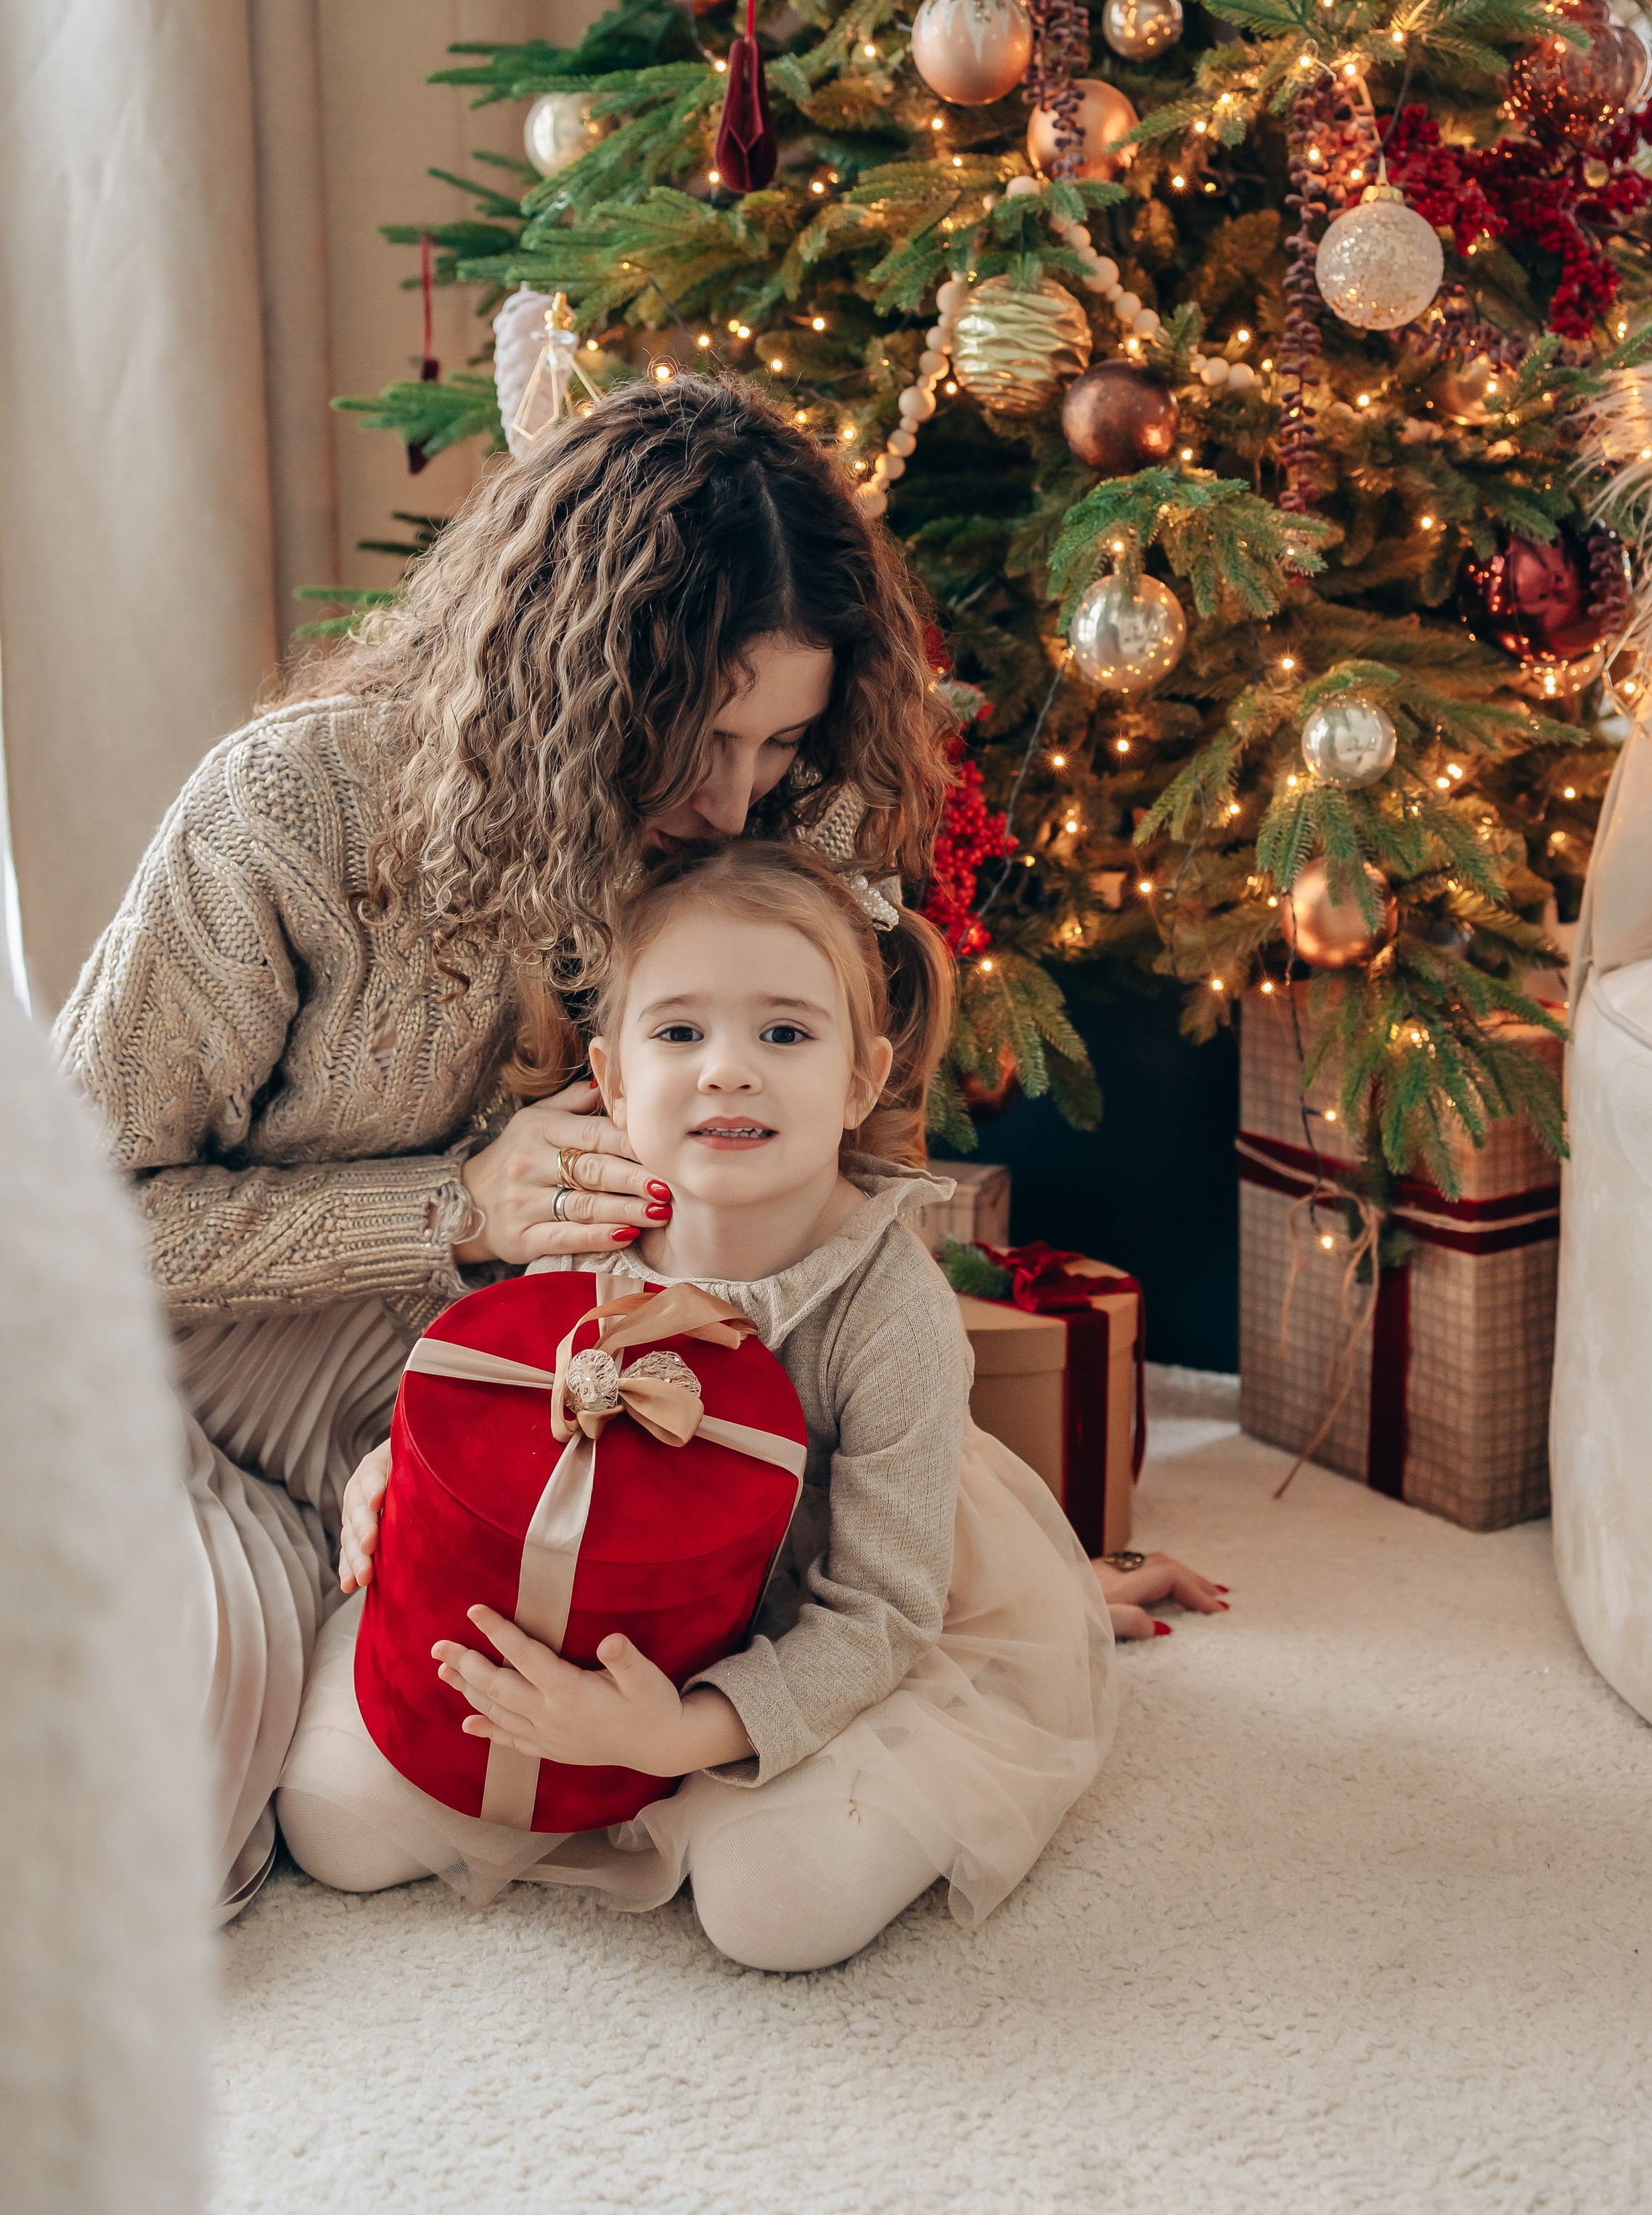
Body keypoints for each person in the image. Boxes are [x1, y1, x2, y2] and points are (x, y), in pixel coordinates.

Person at [56, 375, 1211, 1922]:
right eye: (696, 739)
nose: (731, 799)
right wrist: (447, 1207)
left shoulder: (750, 832)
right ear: (571, 687)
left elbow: (823, 1202)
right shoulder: (287, 814)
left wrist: (984, 1554)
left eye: (775, 743)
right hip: (216, 1390)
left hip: (554, 1428)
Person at [279, 841, 1222, 1969]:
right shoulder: (592, 1231)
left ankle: (1051, 1615)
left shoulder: (890, 1310)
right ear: (616, 1081)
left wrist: (681, 1731)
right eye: (680, 1033)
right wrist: (396, 1474)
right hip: (606, 1612)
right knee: (332, 1824)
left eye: (784, 1032)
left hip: (823, 1623)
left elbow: (880, 1608)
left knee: (774, 1910)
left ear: (862, 1080)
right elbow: (496, 1413)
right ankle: (582, 1739)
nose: (728, 1070)